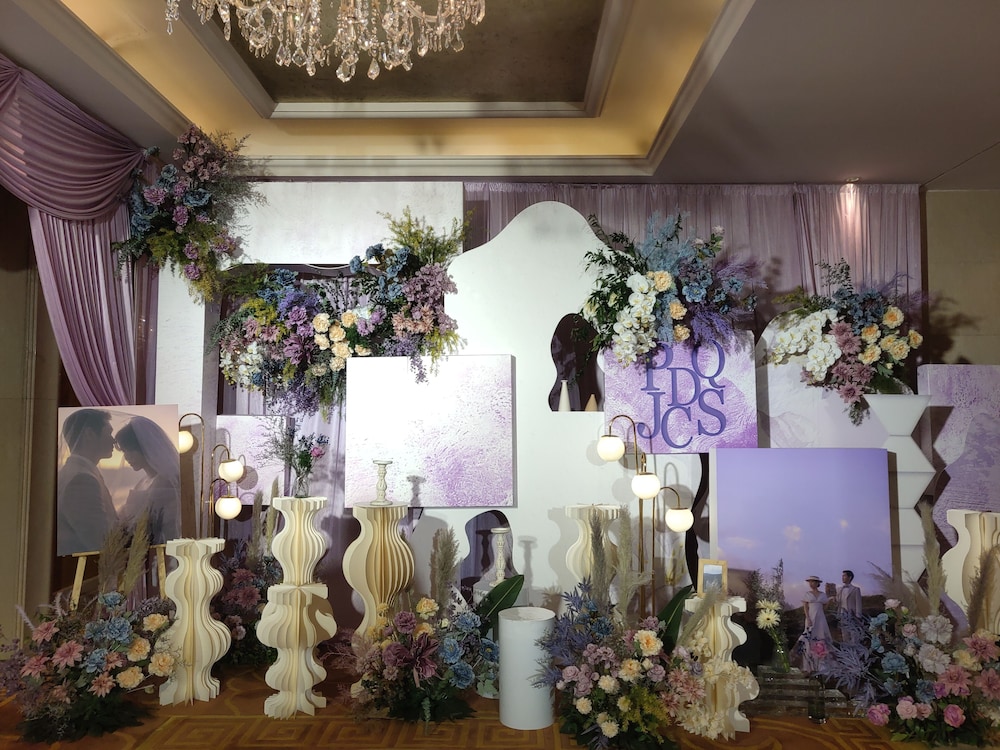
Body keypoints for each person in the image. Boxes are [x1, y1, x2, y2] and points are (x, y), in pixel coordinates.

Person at [57, 409, 119, 555]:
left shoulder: (75, 471)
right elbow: (100, 542)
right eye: (109, 433)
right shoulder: (82, 480)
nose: (114, 440)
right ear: (89, 434)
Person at [115, 416, 182, 545]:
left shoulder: (165, 482)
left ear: (145, 448)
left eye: (130, 450)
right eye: (124, 451)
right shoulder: (142, 482)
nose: (126, 457)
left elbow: (160, 527)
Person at [796, 575, 832, 673]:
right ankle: (809, 666)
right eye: (810, 582)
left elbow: (825, 607)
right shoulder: (807, 594)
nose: (811, 584)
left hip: (820, 618)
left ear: (817, 583)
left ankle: (821, 665)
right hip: (811, 617)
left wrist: (827, 604)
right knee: (810, 638)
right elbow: (805, 608)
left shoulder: (822, 595)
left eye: (813, 582)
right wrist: (808, 618)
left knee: (821, 637)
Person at [837, 569, 863, 642]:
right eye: (842, 576)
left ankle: (855, 647)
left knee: (854, 633)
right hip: (842, 614)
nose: (842, 577)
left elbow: (858, 603)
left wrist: (858, 616)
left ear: (850, 577)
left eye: (844, 576)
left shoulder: (855, 589)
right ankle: (847, 647)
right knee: (844, 634)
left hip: (852, 614)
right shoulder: (839, 589)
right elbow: (838, 602)